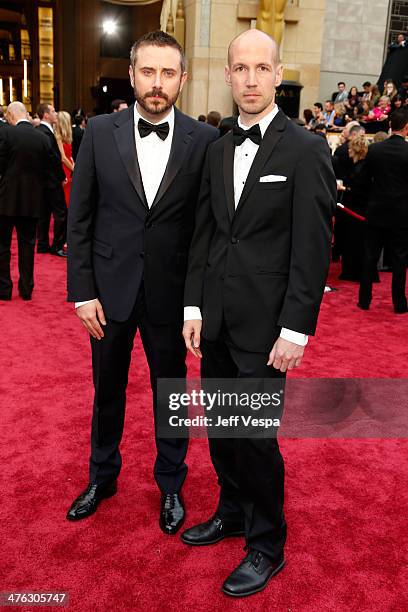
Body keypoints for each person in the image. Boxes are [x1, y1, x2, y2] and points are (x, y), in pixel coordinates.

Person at [180, 28, 336, 598]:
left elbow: (312, 249)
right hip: (216, 320)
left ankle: (267, 544)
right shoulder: (218, 148)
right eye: (239, 69)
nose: (250, 79)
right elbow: (206, 234)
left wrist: (296, 329)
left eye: (260, 69)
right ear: (227, 75)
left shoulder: (305, 149)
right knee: (223, 429)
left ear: (277, 75)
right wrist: (194, 304)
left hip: (269, 330)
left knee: (256, 439)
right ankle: (233, 512)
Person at [66, 31, 218, 532]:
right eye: (147, 72)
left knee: (170, 394)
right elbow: (80, 219)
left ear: (183, 79)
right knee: (105, 389)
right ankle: (101, 475)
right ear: (131, 75)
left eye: (167, 73)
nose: (157, 84)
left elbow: (204, 230)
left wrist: (195, 303)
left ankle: (171, 484)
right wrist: (82, 291)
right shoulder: (99, 132)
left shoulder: (204, 140)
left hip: (170, 296)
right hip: (107, 292)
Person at [0, 102, 53, 300]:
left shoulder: (5, 134)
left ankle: (4, 289)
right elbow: (50, 170)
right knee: (27, 245)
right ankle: (26, 289)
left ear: (12, 115)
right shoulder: (42, 137)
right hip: (32, 200)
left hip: (6, 199)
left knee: (3, 246)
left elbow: (1, 164)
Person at [358, 109, 408, 313]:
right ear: (406, 128)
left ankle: (364, 299)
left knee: (369, 256)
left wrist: (371, 199)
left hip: (376, 210)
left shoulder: (375, 150)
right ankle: (399, 303)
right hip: (402, 214)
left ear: (390, 126)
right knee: (400, 259)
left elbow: (362, 181)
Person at [36, 103, 68, 257]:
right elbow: (54, 159)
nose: (56, 114)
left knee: (44, 213)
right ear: (46, 115)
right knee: (61, 213)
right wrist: (62, 177)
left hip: (41, 182)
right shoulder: (46, 133)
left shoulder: (38, 131)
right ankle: (57, 246)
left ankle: (42, 244)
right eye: (54, 111)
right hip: (52, 181)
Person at [338, 135, 369, 281]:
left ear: (356, 150)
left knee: (355, 241)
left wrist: (343, 188)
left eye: (351, 148)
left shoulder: (361, 168)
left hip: (357, 209)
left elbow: (360, 190)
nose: (348, 150)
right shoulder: (359, 166)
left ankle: (354, 272)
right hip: (355, 208)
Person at [55, 111, 74, 206]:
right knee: (65, 198)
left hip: (69, 166)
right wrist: (74, 169)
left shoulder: (67, 137)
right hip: (65, 168)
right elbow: (63, 157)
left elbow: (69, 155)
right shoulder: (58, 137)